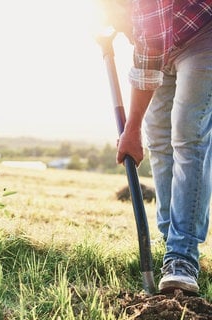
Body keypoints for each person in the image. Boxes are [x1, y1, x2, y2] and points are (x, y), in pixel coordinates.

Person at [108, 1, 212, 293]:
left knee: (187, 134)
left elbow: (150, 46)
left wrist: (131, 128)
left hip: (204, 30)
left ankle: (182, 257)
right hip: (166, 39)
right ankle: (171, 245)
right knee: (159, 139)